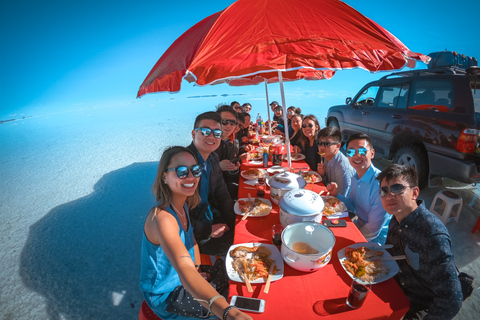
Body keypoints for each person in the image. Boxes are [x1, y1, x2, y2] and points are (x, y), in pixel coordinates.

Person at [139, 146, 251, 320]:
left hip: (185, 278)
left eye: (196, 170)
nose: (191, 177)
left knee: (236, 274)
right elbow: (185, 270)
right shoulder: (162, 219)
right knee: (224, 306)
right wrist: (228, 312)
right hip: (166, 294)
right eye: (182, 171)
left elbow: (191, 241)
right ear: (164, 177)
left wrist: (197, 269)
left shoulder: (182, 205)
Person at [378, 164, 463, 319]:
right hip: (395, 287)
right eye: (384, 190)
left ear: (414, 193)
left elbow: (451, 299)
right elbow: (389, 251)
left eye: (397, 189)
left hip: (422, 305)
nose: (389, 195)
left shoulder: (433, 234)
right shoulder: (395, 219)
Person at [327, 133, 390, 244]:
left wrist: (350, 240)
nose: (356, 156)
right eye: (351, 152)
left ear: (372, 153)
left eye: (362, 151)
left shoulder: (381, 185)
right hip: (358, 226)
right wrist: (337, 194)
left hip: (375, 240)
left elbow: (373, 229)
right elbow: (353, 205)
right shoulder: (355, 177)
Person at [186, 111, 235, 255]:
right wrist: (208, 231)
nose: (212, 137)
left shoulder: (212, 158)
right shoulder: (184, 166)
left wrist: (235, 222)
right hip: (191, 236)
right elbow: (175, 217)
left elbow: (222, 194)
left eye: (217, 133)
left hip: (209, 217)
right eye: (206, 131)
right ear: (194, 134)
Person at [316, 127, 354, 196]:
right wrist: (323, 175)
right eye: (319, 143)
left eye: (327, 144)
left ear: (337, 146)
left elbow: (343, 200)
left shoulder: (343, 168)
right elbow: (328, 183)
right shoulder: (326, 157)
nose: (321, 147)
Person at [215, 105, 241, 199]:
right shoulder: (209, 144)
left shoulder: (228, 144)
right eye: (225, 122)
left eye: (232, 122)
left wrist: (233, 169)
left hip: (224, 190)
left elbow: (228, 176)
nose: (229, 125)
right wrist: (218, 167)